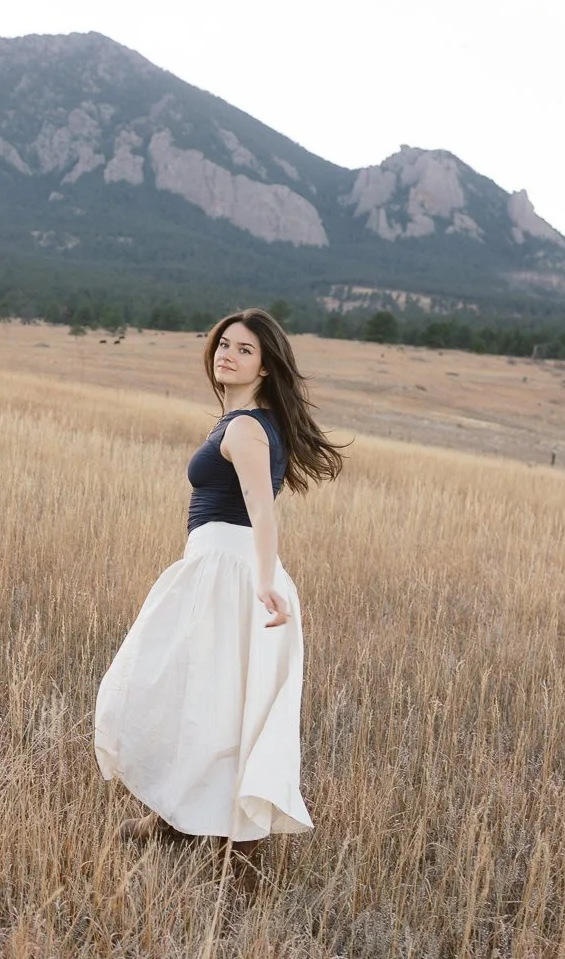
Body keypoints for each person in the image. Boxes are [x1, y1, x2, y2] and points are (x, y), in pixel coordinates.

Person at [94, 308, 344, 853]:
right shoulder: (242, 421)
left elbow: (260, 506)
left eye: (245, 349)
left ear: (265, 367)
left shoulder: (249, 427)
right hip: (219, 565)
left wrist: (262, 579)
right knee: (197, 692)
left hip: (232, 572)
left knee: (195, 693)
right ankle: (176, 816)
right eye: (225, 343)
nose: (228, 353)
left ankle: (233, 841)